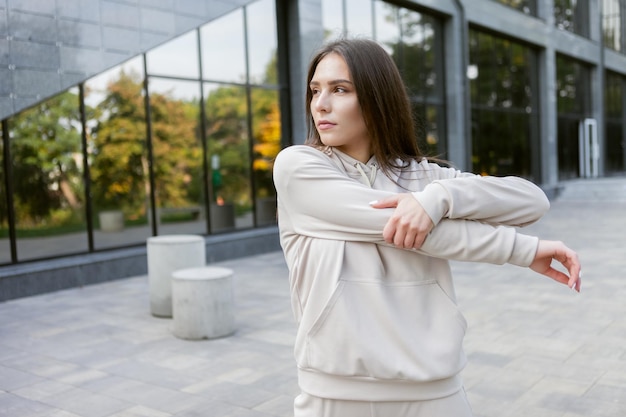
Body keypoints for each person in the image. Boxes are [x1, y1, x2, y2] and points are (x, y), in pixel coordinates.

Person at [272, 38, 581, 417]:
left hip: (435, 392)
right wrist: (524, 251)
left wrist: (437, 199)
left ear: (376, 97)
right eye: (315, 90)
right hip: (333, 393)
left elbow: (532, 200)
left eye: (340, 90)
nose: (320, 104)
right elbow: (403, 229)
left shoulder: (423, 177)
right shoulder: (298, 168)